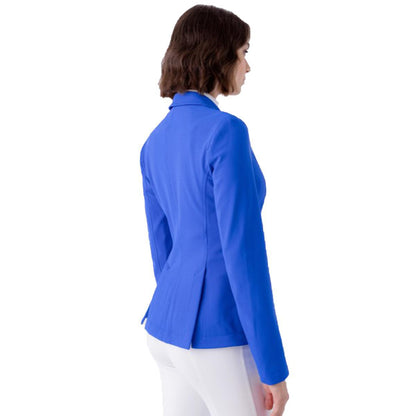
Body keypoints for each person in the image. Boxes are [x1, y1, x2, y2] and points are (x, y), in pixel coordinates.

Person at [139, 5, 290, 416]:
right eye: (243, 52)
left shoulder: (154, 141)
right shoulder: (226, 132)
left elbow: (162, 248)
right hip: (215, 336)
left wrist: (180, 313)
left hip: (165, 328)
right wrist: (272, 365)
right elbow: (244, 255)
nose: (247, 66)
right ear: (217, 55)